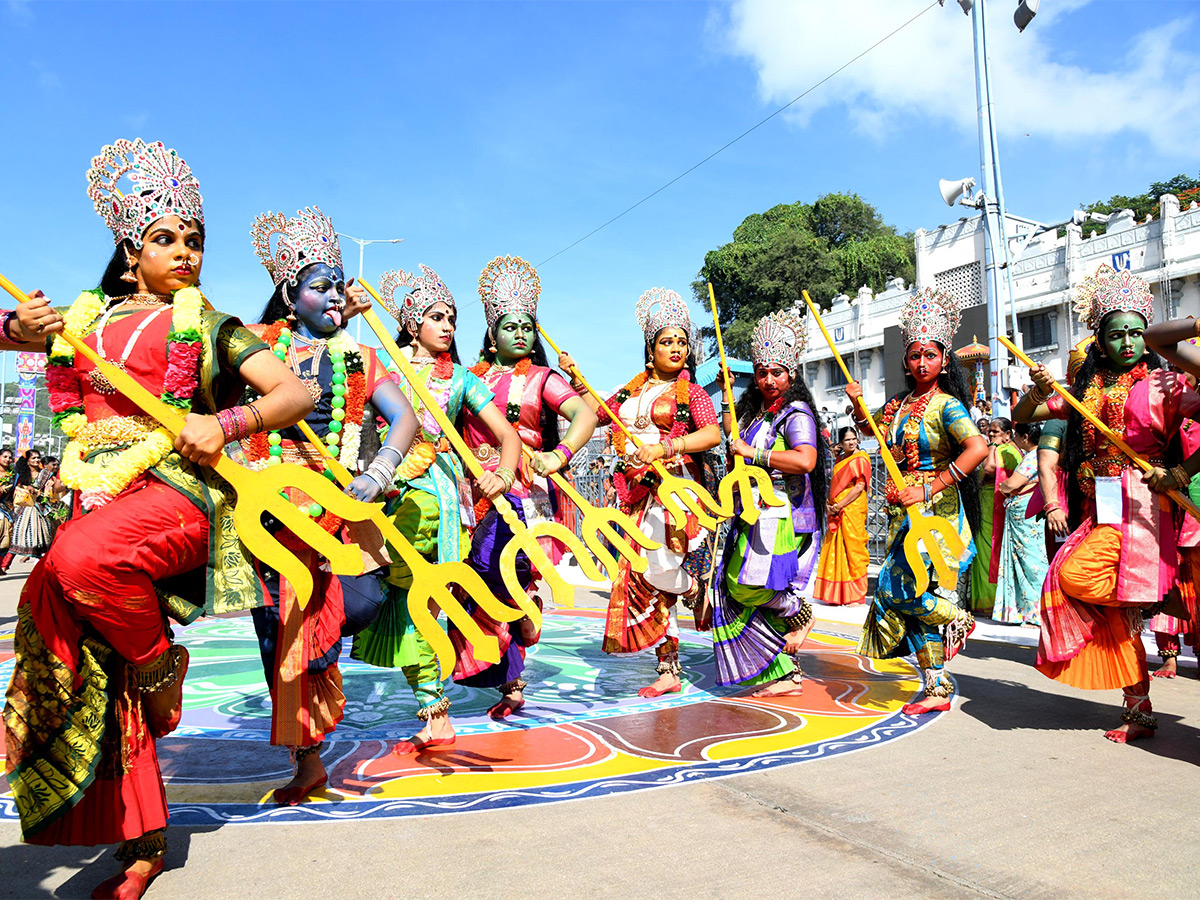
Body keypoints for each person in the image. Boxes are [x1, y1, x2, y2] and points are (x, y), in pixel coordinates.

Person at [2, 139, 314, 898]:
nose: (185, 253)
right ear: (128, 251)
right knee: (70, 628)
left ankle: (161, 667)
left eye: (195, 240)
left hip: (179, 499)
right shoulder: (81, 326)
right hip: (97, 498)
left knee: (73, 565)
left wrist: (229, 424)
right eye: (165, 239)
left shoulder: (208, 325)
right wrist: (15, 331)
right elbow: (33, 364)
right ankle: (143, 842)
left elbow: (292, 393)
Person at [243, 207, 419, 804]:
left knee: (359, 604)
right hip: (269, 507)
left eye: (338, 285)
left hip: (340, 505)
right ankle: (308, 757)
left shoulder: (362, 360)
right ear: (289, 298)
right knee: (278, 634)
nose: (335, 297)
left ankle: (318, 660)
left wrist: (379, 470)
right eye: (319, 286)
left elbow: (405, 419)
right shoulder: (258, 348)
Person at [1013, 266, 1200, 742]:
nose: (1128, 342)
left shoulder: (1167, 386)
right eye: (1117, 334)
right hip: (1099, 508)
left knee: (1072, 575)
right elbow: (1023, 416)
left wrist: (1179, 472)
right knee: (1109, 608)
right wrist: (1037, 390)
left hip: (1143, 508)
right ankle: (1138, 709)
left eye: (1137, 333)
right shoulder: (1083, 392)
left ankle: (1151, 598)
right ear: (1099, 339)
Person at [351, 264, 520, 754]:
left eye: (452, 318)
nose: (448, 326)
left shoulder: (462, 379)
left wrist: (503, 475)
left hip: (439, 501)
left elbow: (506, 436)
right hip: (383, 494)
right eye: (436, 317)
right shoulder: (378, 362)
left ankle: (435, 709)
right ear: (409, 323)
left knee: (421, 600)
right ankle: (432, 706)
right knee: (394, 598)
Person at [560, 288, 720, 697]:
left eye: (682, 341)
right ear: (651, 349)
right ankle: (668, 667)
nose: (676, 348)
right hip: (631, 491)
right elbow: (595, 415)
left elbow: (712, 433)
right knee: (641, 577)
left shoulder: (693, 393)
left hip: (671, 491)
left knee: (659, 569)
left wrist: (667, 447)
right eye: (667, 341)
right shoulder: (629, 390)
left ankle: (694, 587)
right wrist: (575, 380)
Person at [455, 256, 596, 718]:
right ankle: (506, 673)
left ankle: (516, 662)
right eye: (510, 326)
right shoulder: (468, 378)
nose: (520, 334)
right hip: (471, 492)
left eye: (528, 327)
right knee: (474, 585)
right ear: (491, 333)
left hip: (523, 493)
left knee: (508, 578)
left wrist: (560, 454)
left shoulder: (541, 377)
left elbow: (585, 415)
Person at [846, 287, 986, 715]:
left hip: (936, 513)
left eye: (930, 354)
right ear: (905, 361)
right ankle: (937, 689)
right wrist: (857, 407)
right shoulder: (901, 403)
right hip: (899, 513)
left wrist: (929, 487)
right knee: (910, 597)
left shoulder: (946, 406)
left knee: (901, 589)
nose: (921, 363)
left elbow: (977, 448)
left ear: (943, 360)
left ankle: (956, 617)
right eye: (914, 356)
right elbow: (872, 433)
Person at [711, 307, 827, 693]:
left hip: (783, 516)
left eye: (776, 372)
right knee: (736, 586)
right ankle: (785, 673)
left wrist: (754, 454)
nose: (768, 380)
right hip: (756, 513)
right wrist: (728, 400)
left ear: (790, 375)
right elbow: (735, 441)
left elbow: (805, 460)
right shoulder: (761, 415)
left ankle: (799, 613)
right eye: (762, 372)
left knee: (744, 585)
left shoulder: (796, 413)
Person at [992, 422, 1048, 626]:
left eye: (1016, 435)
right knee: (1030, 560)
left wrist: (1003, 486)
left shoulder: (1033, 456)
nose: (1014, 439)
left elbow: (1012, 484)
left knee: (1030, 562)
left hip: (1025, 512)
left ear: (1025, 437)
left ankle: (1036, 610)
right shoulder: (1040, 454)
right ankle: (1030, 609)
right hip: (1029, 509)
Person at [813, 426, 870, 606]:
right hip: (837, 510)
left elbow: (859, 487)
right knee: (836, 550)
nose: (851, 442)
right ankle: (837, 595)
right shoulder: (840, 459)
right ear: (841, 443)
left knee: (854, 550)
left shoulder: (861, 458)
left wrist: (839, 505)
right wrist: (830, 507)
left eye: (854, 438)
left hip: (852, 508)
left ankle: (856, 594)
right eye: (847, 440)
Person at [970, 418, 1021, 616]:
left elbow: (989, 468)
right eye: (989, 432)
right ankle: (986, 599)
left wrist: (991, 447)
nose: (991, 435)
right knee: (983, 550)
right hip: (988, 502)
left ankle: (992, 600)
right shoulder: (1003, 449)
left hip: (996, 504)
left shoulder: (1007, 451)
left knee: (992, 550)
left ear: (1008, 434)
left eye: (996, 431)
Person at [8, 449, 51, 562]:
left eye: (38, 457)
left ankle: (45, 563)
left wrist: (46, 488)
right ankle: (5, 564)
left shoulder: (45, 474)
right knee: (18, 534)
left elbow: (51, 490)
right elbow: (15, 489)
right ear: (27, 461)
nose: (36, 460)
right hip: (23, 507)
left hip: (40, 507)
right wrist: (26, 488)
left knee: (44, 534)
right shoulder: (21, 475)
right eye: (33, 458)